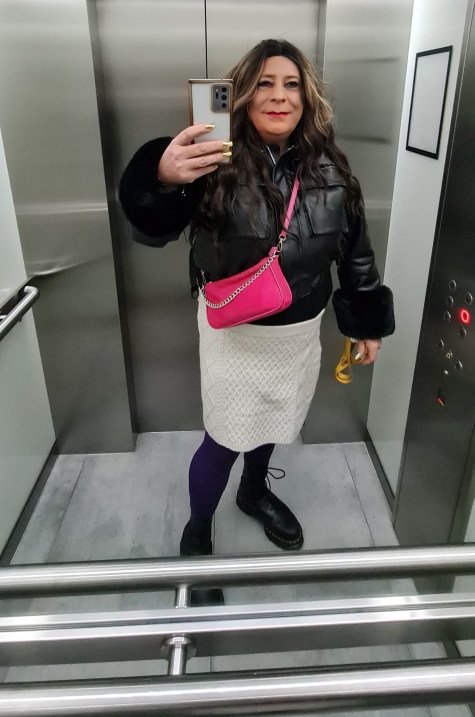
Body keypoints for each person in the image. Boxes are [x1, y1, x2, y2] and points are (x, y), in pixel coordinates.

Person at [119, 38, 394, 593]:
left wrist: (365, 320)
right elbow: (152, 230)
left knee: (274, 419)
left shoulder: (332, 167)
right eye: (264, 83)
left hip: (298, 330)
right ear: (243, 95)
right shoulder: (212, 160)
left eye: (291, 85)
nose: (279, 96)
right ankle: (197, 533)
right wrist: (163, 179)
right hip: (234, 331)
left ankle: (254, 491)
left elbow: (355, 250)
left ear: (307, 97)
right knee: (224, 437)